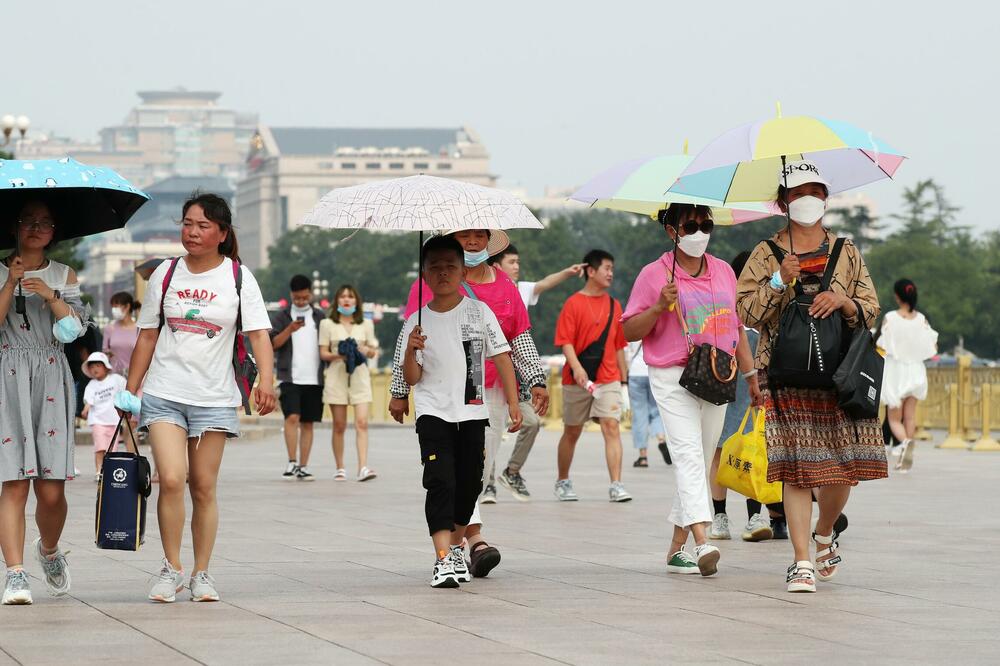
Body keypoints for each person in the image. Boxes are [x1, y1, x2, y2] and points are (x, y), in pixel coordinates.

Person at [118, 192, 276, 603]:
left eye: (203, 225)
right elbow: (147, 334)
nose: (192, 232)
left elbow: (258, 333)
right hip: (165, 392)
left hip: (214, 398)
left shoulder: (238, 277)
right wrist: (129, 390)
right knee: (171, 479)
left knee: (203, 486)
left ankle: (202, 573)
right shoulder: (165, 274)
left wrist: (267, 381)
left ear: (222, 234)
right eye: (187, 223)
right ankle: (171, 568)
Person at [736, 160, 885, 593]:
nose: (809, 200)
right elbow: (746, 311)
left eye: (817, 191)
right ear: (783, 202)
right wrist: (779, 283)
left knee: (843, 471)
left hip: (841, 374)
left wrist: (843, 301)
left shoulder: (848, 251)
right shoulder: (766, 252)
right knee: (797, 470)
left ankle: (824, 533)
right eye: (799, 193)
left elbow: (870, 307)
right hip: (785, 373)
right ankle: (801, 560)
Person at [392, 228, 548, 578]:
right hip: (433, 411)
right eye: (435, 267)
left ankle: (460, 544)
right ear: (425, 272)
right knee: (440, 481)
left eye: (451, 266)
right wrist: (404, 375)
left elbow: (508, 350)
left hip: (475, 406)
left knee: (471, 483)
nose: (443, 272)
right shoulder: (417, 316)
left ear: (462, 270)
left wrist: (518, 395)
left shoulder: (486, 306)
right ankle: (446, 554)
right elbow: (409, 370)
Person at [622, 205, 759, 577]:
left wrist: (751, 376)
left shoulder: (725, 272)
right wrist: (658, 307)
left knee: (698, 457)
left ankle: (675, 549)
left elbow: (737, 329)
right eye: (691, 225)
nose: (700, 232)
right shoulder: (654, 275)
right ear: (671, 231)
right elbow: (629, 330)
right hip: (673, 374)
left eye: (706, 224)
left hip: (717, 373)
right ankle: (703, 540)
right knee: (687, 456)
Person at [1, 199, 88, 605]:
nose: (36, 228)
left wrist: (50, 295)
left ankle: (49, 551)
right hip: (8, 374)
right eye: (28, 221)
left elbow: (73, 331)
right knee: (14, 483)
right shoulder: (2, 269)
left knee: (51, 491)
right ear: (14, 226)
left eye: (44, 223)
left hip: (51, 373)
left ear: (54, 230)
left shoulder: (63, 274)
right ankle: (15, 574)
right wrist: (10, 283)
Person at [486, 245, 583, 500]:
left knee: (531, 422)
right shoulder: (477, 288)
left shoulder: (520, 289)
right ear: (496, 265)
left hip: (517, 374)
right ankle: (487, 482)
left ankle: (512, 471)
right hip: (487, 372)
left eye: (518, 261)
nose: (517, 266)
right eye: (512, 262)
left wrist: (567, 272)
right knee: (489, 428)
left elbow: (545, 283)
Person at [706, 251, 785, 542]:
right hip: (729, 389)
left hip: (750, 393)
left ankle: (752, 516)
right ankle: (721, 516)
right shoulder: (727, 310)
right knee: (723, 452)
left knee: (751, 452)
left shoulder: (765, 313)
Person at [553, 249, 632, 503]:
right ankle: (563, 480)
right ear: (591, 270)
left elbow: (619, 345)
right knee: (572, 431)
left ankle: (617, 484)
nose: (610, 273)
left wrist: (624, 382)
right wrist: (576, 368)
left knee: (611, 426)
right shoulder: (573, 303)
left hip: (607, 377)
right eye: (606, 268)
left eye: (612, 269)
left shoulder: (614, 305)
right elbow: (565, 341)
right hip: (577, 379)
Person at [319, 284, 379, 482]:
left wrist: (363, 351)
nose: (346, 300)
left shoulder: (366, 324)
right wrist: (341, 354)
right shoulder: (327, 324)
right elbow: (323, 352)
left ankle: (363, 466)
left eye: (350, 297)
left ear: (356, 301)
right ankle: (340, 467)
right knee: (339, 424)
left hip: (359, 377)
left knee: (361, 422)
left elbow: (373, 350)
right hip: (337, 376)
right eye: (343, 296)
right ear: (337, 301)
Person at [269, 274, 326, 481]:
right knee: (291, 417)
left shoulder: (320, 317)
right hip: (290, 377)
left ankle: (304, 465)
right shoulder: (283, 316)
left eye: (304, 297)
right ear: (291, 295)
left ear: (310, 294)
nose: (301, 301)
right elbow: (273, 344)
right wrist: (290, 329)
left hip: (314, 378)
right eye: (297, 298)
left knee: (308, 422)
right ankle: (291, 461)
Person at [878, 279, 937, 472]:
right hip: (916, 370)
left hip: (897, 371)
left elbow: (881, 344)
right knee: (909, 417)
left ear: (897, 296)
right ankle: (905, 456)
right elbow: (932, 346)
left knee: (894, 418)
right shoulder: (921, 319)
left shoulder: (891, 318)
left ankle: (904, 443)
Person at [81, 352, 127, 482]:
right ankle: (99, 471)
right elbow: (88, 401)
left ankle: (110, 471)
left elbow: (126, 388)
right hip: (98, 421)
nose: (94, 369)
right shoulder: (92, 385)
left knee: (112, 449)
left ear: (106, 367)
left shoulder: (116, 379)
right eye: (92, 366)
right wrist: (85, 409)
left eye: (98, 365)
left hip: (114, 421)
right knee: (100, 447)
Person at [626, 340, 669, 468]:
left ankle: (643, 456)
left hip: (635, 373)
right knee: (656, 411)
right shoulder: (652, 324)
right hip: (652, 371)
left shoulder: (633, 326)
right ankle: (661, 439)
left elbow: (626, 353)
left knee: (640, 415)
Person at [103, 291, 140, 377]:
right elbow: (105, 353)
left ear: (127, 306)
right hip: (114, 377)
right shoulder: (109, 328)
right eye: (112, 307)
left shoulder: (139, 329)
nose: (113, 310)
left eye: (116, 306)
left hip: (135, 376)